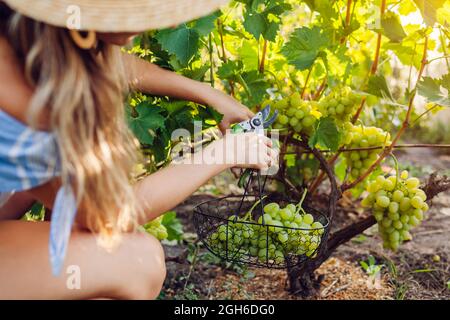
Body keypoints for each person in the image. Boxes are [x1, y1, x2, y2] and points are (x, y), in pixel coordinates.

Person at [0, 0, 277, 299]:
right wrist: (223, 153)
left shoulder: (28, 31)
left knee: (60, 204)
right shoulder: (30, 103)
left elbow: (117, 63)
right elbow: (108, 214)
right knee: (139, 259)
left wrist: (211, 95)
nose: (169, 24)